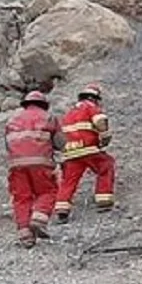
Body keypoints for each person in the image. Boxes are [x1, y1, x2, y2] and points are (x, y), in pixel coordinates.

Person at [4, 90, 64, 248]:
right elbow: (60, 143)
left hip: (16, 165)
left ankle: (25, 234)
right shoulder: (48, 117)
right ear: (43, 105)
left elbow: (7, 145)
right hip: (41, 163)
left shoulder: (12, 120)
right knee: (48, 191)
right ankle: (39, 219)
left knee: (21, 198)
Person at [55, 83, 117, 222]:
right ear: (95, 98)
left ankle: (61, 209)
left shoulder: (69, 113)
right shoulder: (91, 107)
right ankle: (104, 200)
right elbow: (101, 122)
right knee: (106, 166)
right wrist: (105, 137)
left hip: (71, 152)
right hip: (89, 149)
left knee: (68, 181)